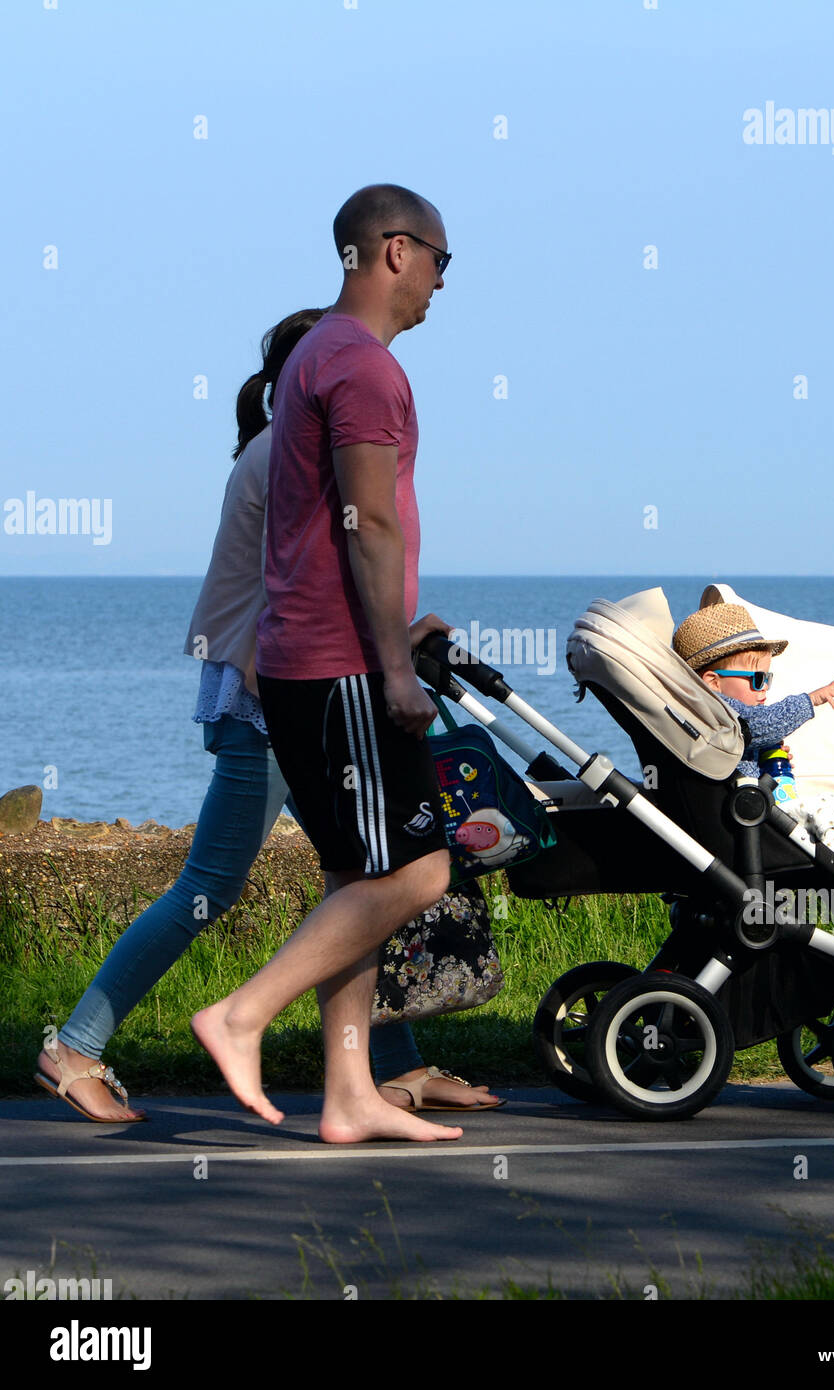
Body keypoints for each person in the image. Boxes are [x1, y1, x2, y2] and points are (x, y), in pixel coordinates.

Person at [34, 305, 498, 1122]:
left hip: (272, 686)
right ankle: (75, 1046)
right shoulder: (278, 458)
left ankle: (388, 1067)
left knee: (357, 872)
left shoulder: (270, 452)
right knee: (216, 884)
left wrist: (396, 634)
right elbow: (291, 591)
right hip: (270, 697)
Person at [192, 184, 475, 1145]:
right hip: (343, 663)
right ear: (395, 251)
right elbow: (372, 524)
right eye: (442, 259)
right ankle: (241, 1014)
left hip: (305, 658)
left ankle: (349, 1095)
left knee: (355, 872)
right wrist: (394, 668)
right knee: (421, 871)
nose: (443, 281)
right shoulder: (360, 366)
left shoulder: (315, 355)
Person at [671, 602, 834, 776]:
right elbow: (760, 724)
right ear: (713, 683)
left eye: (766, 678)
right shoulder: (716, 712)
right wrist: (810, 700)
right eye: (757, 679)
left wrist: (766, 759)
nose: (764, 687)